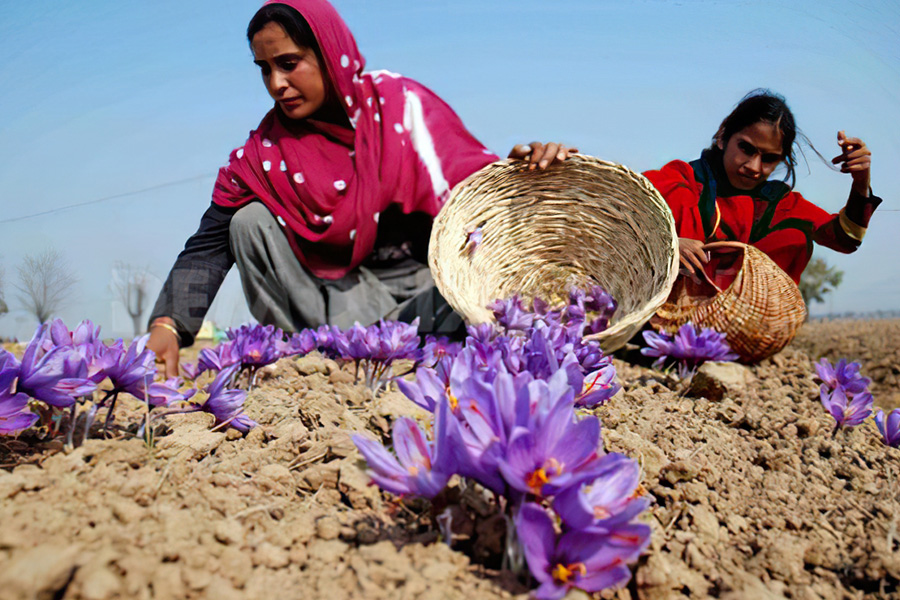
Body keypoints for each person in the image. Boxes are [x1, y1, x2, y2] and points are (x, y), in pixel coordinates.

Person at [147, 0, 569, 377]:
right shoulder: (266, 152)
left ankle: (432, 356)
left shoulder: (403, 108)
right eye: (264, 68)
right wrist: (168, 324)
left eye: (289, 63)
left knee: (484, 296)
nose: (276, 83)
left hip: (429, 297)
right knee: (247, 221)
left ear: (330, 54)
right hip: (336, 307)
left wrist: (526, 173)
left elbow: (476, 192)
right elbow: (209, 243)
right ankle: (314, 361)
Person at [642, 89, 881, 286]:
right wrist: (670, 245)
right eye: (746, 149)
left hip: (736, 324)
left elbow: (846, 239)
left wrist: (861, 182)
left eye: (768, 159)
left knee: (793, 237)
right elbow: (617, 217)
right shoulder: (683, 179)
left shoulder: (778, 203)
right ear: (723, 136)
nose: (754, 167)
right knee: (677, 201)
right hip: (659, 313)